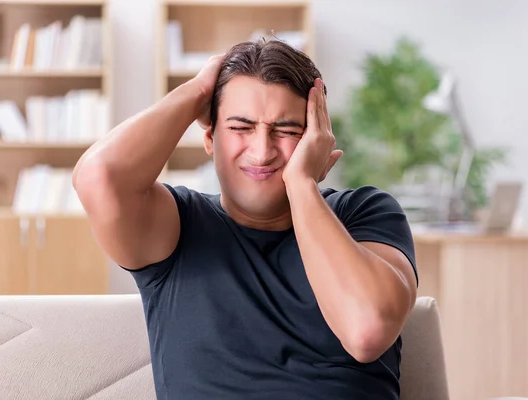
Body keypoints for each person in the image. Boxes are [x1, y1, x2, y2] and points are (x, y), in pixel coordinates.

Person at [73, 39, 418, 400]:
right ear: (210, 138)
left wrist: (301, 185)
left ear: (315, 141)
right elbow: (98, 178)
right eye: (240, 127)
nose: (262, 150)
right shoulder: (176, 226)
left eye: (286, 131)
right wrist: (199, 91)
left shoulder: (364, 213)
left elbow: (367, 330)